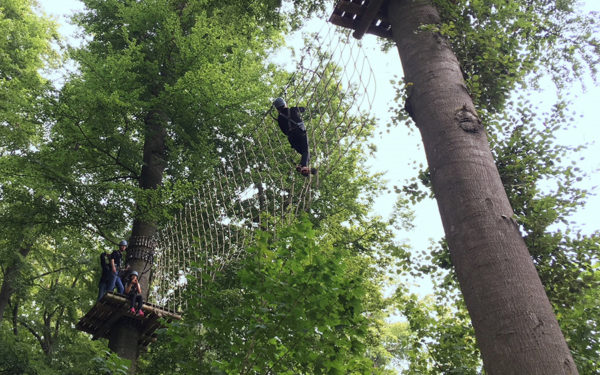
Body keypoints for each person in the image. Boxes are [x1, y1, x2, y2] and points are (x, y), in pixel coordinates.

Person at [273, 97, 315, 177]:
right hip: (299, 133)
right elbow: (303, 109)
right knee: (306, 151)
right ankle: (304, 166)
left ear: (277, 109)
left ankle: (301, 165)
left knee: (305, 153)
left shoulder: (279, 118)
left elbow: (284, 131)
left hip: (291, 138)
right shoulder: (292, 110)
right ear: (284, 104)